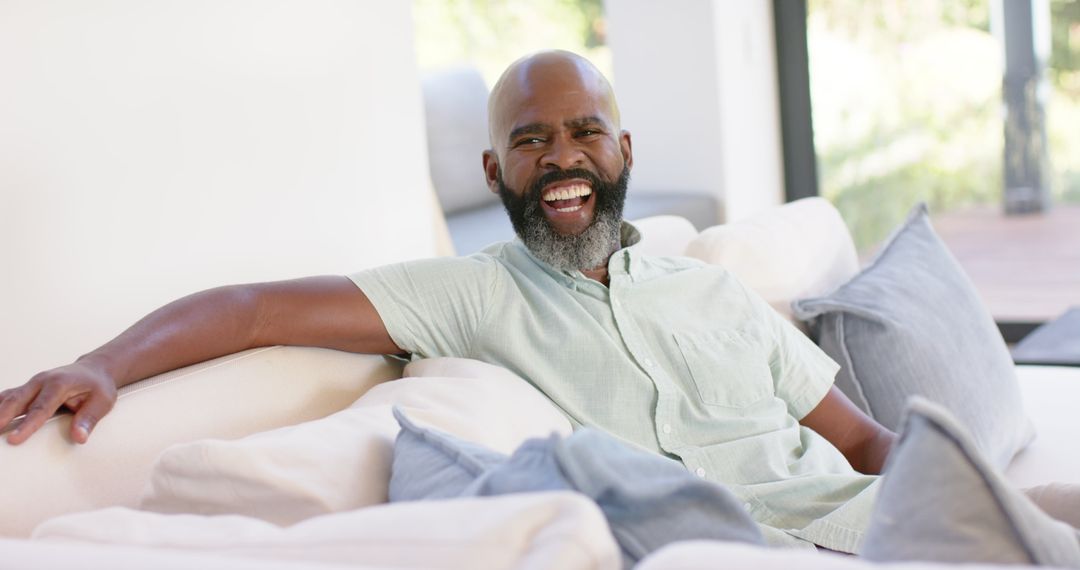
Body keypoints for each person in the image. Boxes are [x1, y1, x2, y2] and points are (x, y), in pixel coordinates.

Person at [0, 50, 895, 552]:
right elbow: (250, 309)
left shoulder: (713, 290)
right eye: (530, 140)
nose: (561, 158)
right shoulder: (473, 295)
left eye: (585, 133)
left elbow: (860, 441)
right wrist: (103, 363)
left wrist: (950, 471)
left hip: (869, 528)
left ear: (622, 150)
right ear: (493, 170)